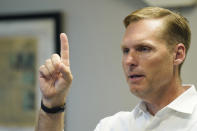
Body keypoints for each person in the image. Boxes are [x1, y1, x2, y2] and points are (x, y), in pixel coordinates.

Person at [35, 7, 197, 131]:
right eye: (126, 51)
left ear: (177, 54)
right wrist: (52, 103)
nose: (129, 60)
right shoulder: (112, 126)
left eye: (143, 49)